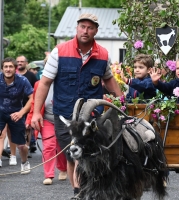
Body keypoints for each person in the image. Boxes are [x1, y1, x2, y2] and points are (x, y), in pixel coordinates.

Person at [30, 13, 122, 198]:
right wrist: (36, 113)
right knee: (73, 156)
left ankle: (82, 191)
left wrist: (122, 101)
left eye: (90, 27)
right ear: (77, 28)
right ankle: (78, 191)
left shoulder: (103, 54)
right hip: (65, 115)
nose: (85, 31)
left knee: (88, 154)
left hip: (92, 116)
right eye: (82, 26)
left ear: (96, 30)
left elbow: (109, 79)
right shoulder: (60, 51)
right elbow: (45, 83)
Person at [26, 57, 67, 185]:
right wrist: (30, 119)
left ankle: (63, 168)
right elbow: (34, 103)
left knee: (62, 146)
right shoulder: (39, 83)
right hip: (47, 119)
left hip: (63, 119)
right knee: (49, 146)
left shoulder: (66, 82)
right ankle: (48, 175)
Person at [0, 57, 33, 174]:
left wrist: (22, 112)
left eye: (10, 67)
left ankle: (24, 163)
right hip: (1, 112)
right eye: (5, 67)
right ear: (2, 69)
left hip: (16, 113)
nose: (8, 69)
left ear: (15, 69)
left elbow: (32, 98)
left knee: (21, 146)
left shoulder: (22, 80)